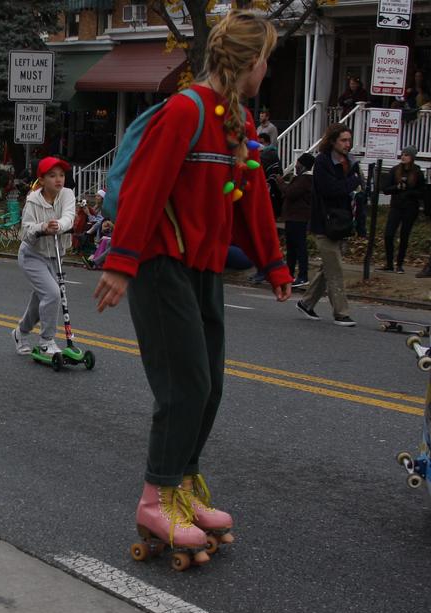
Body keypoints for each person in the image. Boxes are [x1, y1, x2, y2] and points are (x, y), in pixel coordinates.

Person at [93, 11, 292, 563]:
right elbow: (145, 187)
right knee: (185, 385)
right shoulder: (185, 110)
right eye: (267, 60)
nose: (267, 69)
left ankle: (182, 485)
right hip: (160, 265)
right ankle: (156, 497)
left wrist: (273, 264)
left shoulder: (238, 123)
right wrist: (121, 262)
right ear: (252, 64)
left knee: (210, 387)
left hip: (202, 270)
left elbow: (251, 199)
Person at [296, 123, 362, 326]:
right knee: (336, 269)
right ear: (333, 141)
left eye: (349, 140)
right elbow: (330, 189)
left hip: (342, 222)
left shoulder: (350, 162)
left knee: (328, 267)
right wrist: (353, 182)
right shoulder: (323, 162)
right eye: (343, 140)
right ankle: (341, 312)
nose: (347, 144)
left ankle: (306, 303)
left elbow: (360, 190)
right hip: (324, 223)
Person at [12, 157, 76, 356]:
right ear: (41, 180)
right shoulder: (33, 200)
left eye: (62, 175)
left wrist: (58, 225)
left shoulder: (67, 195)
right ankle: (47, 340)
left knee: (41, 301)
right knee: (52, 294)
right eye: (52, 175)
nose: (59, 180)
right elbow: (26, 230)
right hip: (32, 255)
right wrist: (42, 227)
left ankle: (20, 332)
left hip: (55, 256)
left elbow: (69, 217)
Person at [379, 146, 426, 273]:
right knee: (389, 234)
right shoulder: (395, 170)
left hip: (410, 208)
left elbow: (422, 192)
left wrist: (410, 192)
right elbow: (386, 189)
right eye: (403, 154)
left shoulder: (417, 172)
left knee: (404, 236)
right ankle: (389, 263)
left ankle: (399, 264)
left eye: (407, 155)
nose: (403, 157)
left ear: (412, 157)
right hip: (396, 206)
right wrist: (397, 187)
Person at [277, 153, 314, 288]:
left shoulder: (305, 180)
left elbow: (291, 193)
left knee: (299, 247)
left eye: (298, 163)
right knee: (292, 247)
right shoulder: (300, 179)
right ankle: (290, 274)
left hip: (298, 218)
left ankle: (302, 275)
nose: (296, 165)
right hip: (293, 217)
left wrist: (281, 183)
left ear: (303, 165)